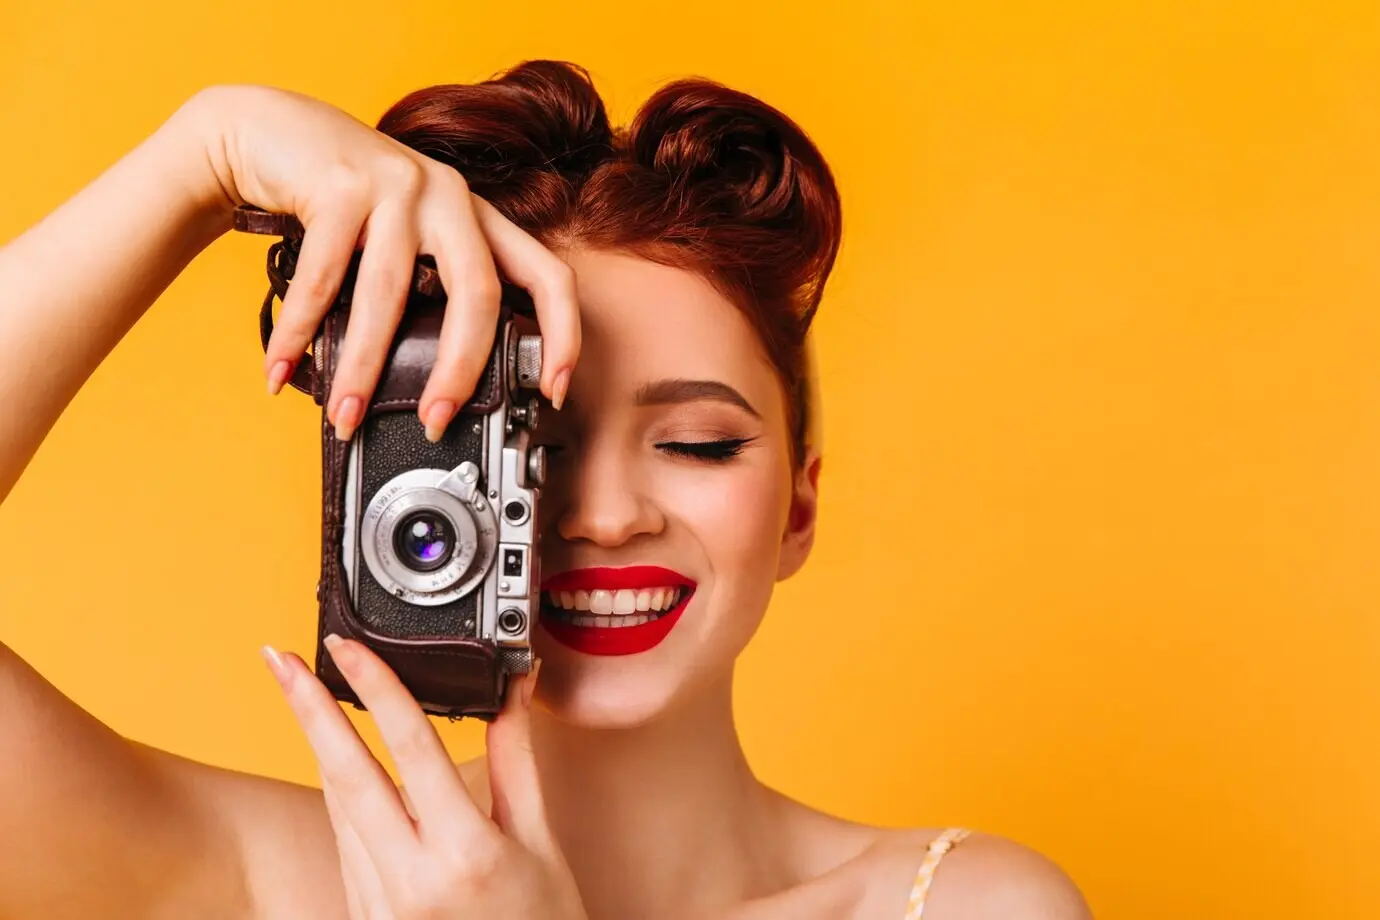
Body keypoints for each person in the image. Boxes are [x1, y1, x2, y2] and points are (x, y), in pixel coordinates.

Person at [0, 60, 1092, 920]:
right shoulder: (260, 879)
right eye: (530, 439)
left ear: (798, 508)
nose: (604, 515)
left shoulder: (963, 904)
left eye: (700, 443)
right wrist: (204, 152)